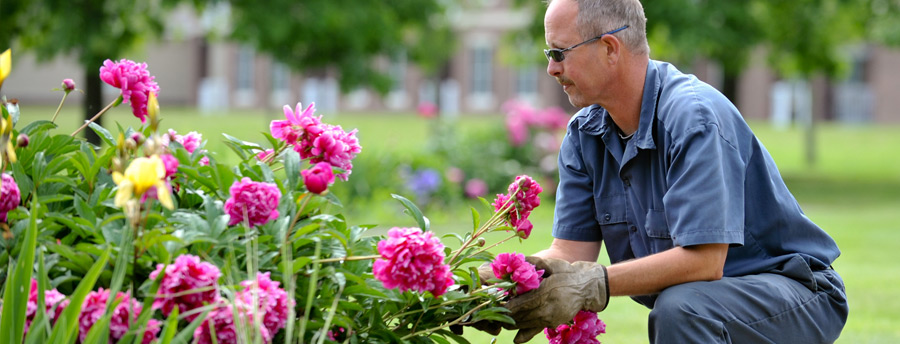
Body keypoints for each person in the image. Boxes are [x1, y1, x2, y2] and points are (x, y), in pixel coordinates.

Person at [482, 0, 849, 343]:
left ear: (610, 48)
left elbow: (704, 259)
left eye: (559, 53)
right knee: (684, 306)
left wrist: (597, 283)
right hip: (709, 300)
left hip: (796, 292)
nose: (551, 68)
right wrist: (498, 282)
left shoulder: (693, 117)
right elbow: (569, 253)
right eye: (550, 54)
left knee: (680, 310)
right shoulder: (584, 136)